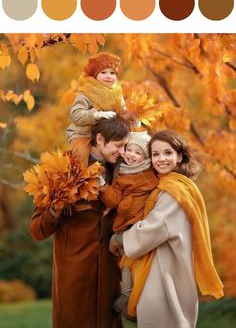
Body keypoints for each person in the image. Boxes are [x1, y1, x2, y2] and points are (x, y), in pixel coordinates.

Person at [110, 129, 224, 328]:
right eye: (155, 154)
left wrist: (119, 239)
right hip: (166, 267)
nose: (161, 159)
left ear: (179, 156)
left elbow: (153, 228)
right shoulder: (168, 185)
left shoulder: (174, 191)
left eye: (167, 153)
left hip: (165, 274)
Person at [29, 115, 130, 328]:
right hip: (74, 280)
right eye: (119, 146)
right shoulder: (63, 168)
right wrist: (56, 209)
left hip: (110, 278)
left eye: (126, 146)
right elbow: (36, 231)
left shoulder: (122, 170)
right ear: (100, 139)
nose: (123, 152)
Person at [99, 131, 158, 319]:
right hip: (125, 225)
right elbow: (114, 200)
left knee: (132, 262)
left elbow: (149, 193)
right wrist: (102, 186)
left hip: (137, 225)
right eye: (129, 150)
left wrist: (126, 203)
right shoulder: (122, 174)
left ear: (145, 158)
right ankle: (127, 295)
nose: (132, 155)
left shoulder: (149, 175)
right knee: (125, 263)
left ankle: (131, 297)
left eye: (138, 152)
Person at [66, 52, 126, 167]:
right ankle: (79, 179)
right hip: (84, 133)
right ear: (95, 75)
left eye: (112, 73)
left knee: (128, 148)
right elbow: (75, 115)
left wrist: (130, 117)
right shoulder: (86, 92)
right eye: (103, 72)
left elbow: (121, 110)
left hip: (108, 132)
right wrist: (95, 115)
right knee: (80, 158)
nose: (108, 76)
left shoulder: (117, 92)